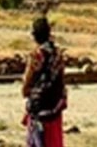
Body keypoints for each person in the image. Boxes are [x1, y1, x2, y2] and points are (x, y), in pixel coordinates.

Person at [21, 16, 67, 147]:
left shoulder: (36, 55)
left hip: (39, 109)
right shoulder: (58, 54)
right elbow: (61, 78)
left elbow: (27, 81)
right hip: (55, 107)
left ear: (34, 35)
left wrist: (26, 90)